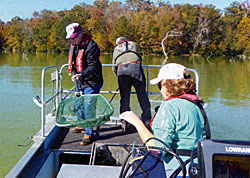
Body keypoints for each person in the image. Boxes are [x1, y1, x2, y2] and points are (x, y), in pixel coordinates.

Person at [119, 63, 208, 169]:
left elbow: (157, 148)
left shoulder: (169, 107)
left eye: (160, 85)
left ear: (167, 84)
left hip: (175, 169)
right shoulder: (195, 104)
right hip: (196, 166)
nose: (160, 90)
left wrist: (136, 121)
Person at [65, 23, 103, 146]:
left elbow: (94, 66)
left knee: (89, 107)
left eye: (74, 37)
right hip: (80, 81)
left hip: (92, 81)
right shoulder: (74, 46)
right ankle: (82, 125)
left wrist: (81, 75)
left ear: (81, 34)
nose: (72, 39)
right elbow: (75, 64)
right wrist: (75, 75)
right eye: (71, 38)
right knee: (78, 104)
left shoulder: (92, 46)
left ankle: (89, 133)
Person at [112, 37, 151, 129]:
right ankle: (147, 120)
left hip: (122, 71)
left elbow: (114, 67)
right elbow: (138, 57)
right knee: (142, 95)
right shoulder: (133, 44)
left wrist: (118, 75)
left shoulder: (116, 49)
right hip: (136, 67)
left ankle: (125, 122)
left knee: (124, 97)